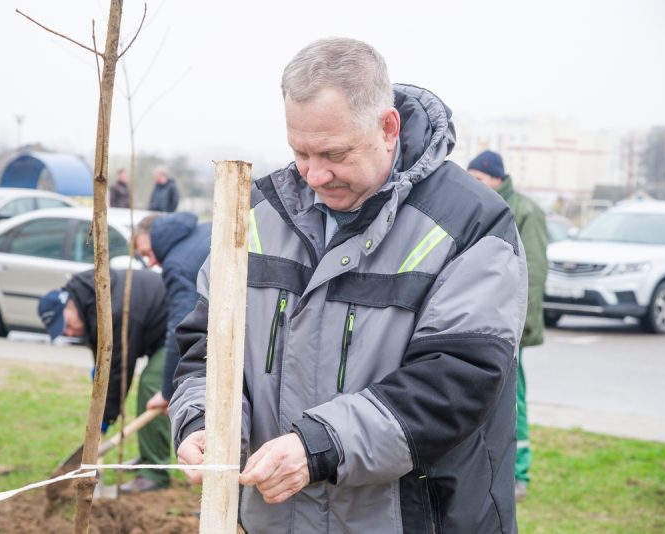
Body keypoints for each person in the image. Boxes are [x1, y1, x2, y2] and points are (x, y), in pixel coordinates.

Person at [169, 37, 527, 532]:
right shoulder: (251, 217)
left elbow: (457, 378)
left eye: (333, 153)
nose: (315, 174)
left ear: (387, 127)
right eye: (300, 152)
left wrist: (319, 447)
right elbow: (205, 346)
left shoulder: (470, 225)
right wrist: (200, 421)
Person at [37, 268, 171, 492]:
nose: (68, 333)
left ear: (69, 305)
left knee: (153, 384)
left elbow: (119, 370)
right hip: (155, 327)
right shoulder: (88, 298)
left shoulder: (111, 310)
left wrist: (103, 422)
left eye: (67, 324)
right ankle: (148, 457)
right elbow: (104, 359)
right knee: (148, 384)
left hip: (179, 324)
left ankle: (155, 472)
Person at [468, 150, 548, 502]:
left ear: (498, 179)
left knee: (513, 401)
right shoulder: (474, 204)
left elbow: (533, 271)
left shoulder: (525, 210)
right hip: (480, 321)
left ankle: (520, 474)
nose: (474, 185)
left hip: (510, 326)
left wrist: (523, 328)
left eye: (480, 180)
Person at [134, 211, 210, 412]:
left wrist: (168, 391)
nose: (150, 264)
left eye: (147, 254)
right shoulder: (203, 229)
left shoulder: (176, 264)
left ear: (155, 235)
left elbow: (180, 326)